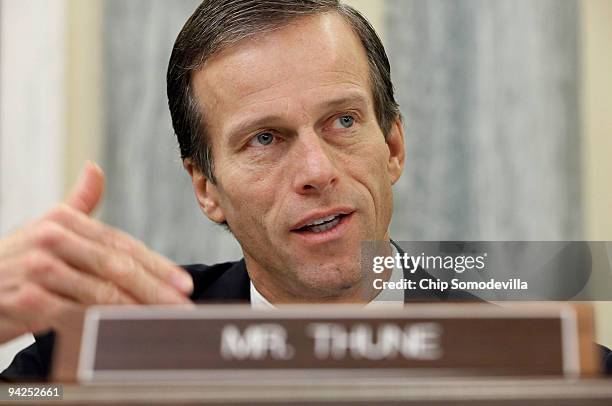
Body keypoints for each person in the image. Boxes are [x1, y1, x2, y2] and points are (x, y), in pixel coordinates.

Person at [1, 0, 610, 381]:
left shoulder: (556, 374)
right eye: (265, 139)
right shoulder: (93, 362)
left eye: (342, 121)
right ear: (205, 187)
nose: (317, 170)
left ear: (392, 147)